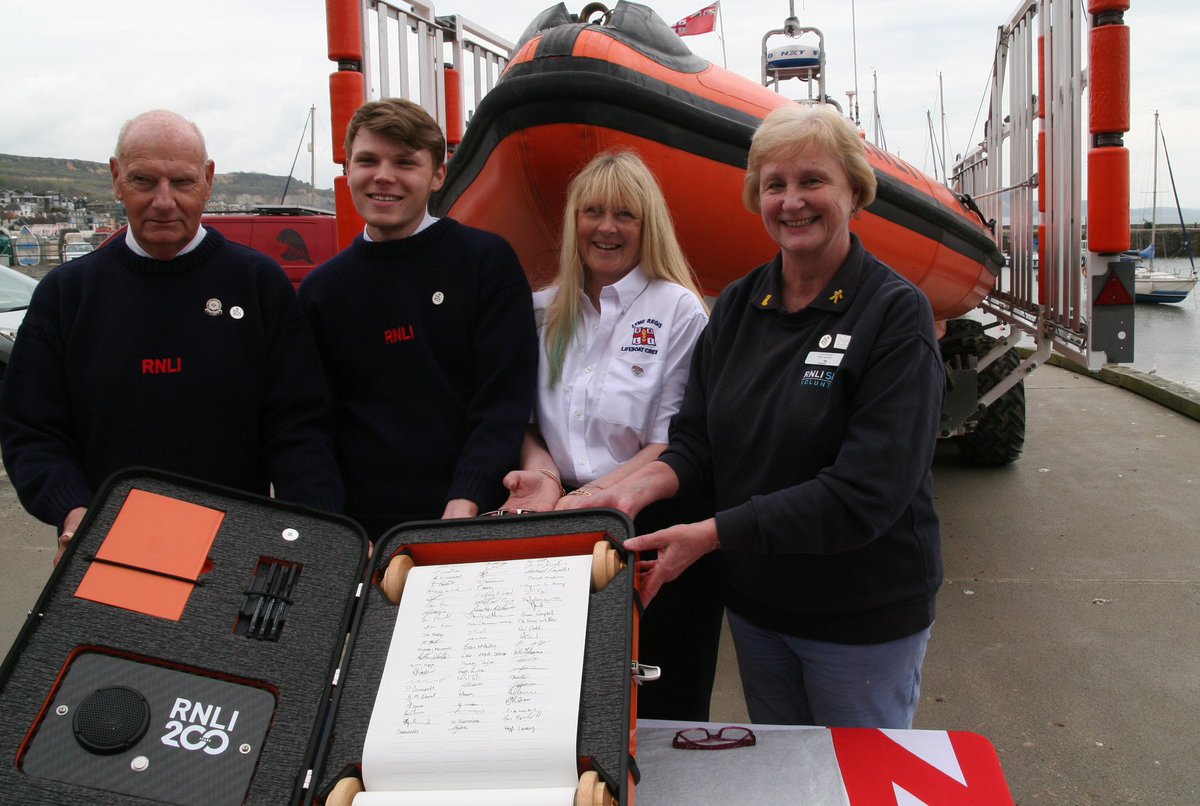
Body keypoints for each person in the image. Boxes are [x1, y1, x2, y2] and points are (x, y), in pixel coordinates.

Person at [589, 103, 946, 729]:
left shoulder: (894, 314)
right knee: (787, 784)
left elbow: (867, 492)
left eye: (813, 181)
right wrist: (622, 494)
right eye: (774, 185)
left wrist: (712, 534)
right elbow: (697, 442)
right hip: (759, 611)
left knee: (852, 788)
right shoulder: (736, 307)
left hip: (859, 619)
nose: (791, 201)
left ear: (854, 191)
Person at [0, 110, 344, 564]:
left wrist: (314, 527)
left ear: (208, 179)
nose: (164, 201)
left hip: (236, 547)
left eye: (182, 183)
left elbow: (298, 424)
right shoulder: (66, 295)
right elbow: (31, 428)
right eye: (144, 181)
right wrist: (72, 510)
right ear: (116, 178)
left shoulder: (258, 284)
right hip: (104, 545)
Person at [498, 150, 723, 721]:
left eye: (625, 214)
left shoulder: (679, 311)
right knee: (555, 705)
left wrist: (588, 501)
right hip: (555, 521)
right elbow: (524, 421)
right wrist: (549, 482)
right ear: (573, 222)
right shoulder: (540, 313)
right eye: (592, 211)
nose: (606, 227)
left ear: (649, 225)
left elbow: (670, 438)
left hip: (643, 524)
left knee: (653, 708)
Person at [298, 99, 537, 540]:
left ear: (438, 174)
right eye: (367, 160)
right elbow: (308, 423)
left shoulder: (485, 264)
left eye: (405, 163)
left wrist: (466, 500)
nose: (383, 176)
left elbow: (503, 399)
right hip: (357, 533)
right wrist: (331, 528)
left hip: (472, 518)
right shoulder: (322, 292)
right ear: (348, 168)